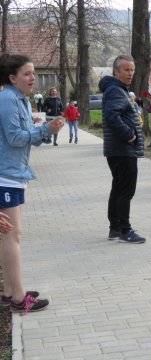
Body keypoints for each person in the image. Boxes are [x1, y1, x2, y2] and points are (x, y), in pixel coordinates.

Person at [0, 53, 64, 313]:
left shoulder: (21, 101)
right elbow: (15, 138)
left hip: (16, 174)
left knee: (11, 236)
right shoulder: (7, 99)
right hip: (5, 176)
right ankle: (18, 297)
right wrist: (45, 130)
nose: (33, 77)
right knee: (11, 237)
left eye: (34, 72)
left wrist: (46, 129)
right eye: (27, 73)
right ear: (12, 78)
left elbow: (28, 137)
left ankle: (8, 290)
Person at [98, 55, 146, 244]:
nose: (131, 73)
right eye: (126, 69)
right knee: (126, 190)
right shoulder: (116, 90)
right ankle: (125, 230)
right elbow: (112, 116)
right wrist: (129, 134)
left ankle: (115, 228)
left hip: (118, 149)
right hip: (122, 148)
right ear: (116, 72)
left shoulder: (117, 90)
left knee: (118, 188)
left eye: (132, 69)